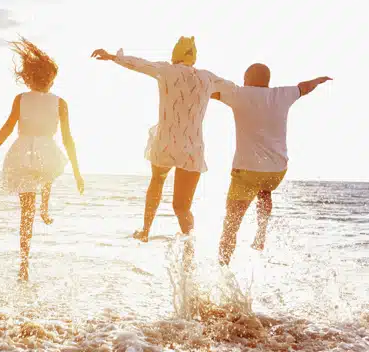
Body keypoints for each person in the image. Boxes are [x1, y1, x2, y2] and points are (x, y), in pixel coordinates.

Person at [91, 37, 237, 243]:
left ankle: (146, 230)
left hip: (166, 142)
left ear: (174, 55)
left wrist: (112, 57)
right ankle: (189, 244)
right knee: (182, 207)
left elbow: (140, 64)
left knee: (157, 181)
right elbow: (233, 88)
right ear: (194, 57)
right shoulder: (207, 78)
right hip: (192, 147)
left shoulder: (167, 70)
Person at [0, 38, 84, 282]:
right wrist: (76, 172)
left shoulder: (21, 99)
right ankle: (45, 207)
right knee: (48, 171)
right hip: (46, 152)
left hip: (22, 153)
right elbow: (68, 139)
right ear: (50, 78)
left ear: (29, 76)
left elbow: (7, 128)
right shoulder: (60, 102)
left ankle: (24, 263)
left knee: (25, 213)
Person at [214, 63, 332, 265]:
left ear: (247, 78)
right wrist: (318, 81)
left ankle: (223, 266)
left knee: (231, 223)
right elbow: (304, 87)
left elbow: (212, 93)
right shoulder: (282, 94)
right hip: (277, 169)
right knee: (265, 191)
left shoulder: (239, 94)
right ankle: (261, 233)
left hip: (247, 170)